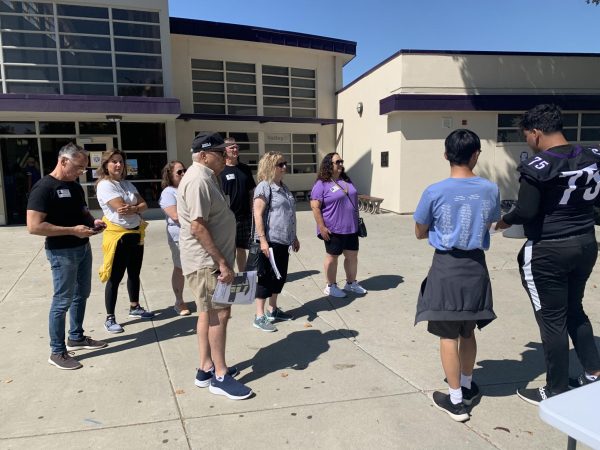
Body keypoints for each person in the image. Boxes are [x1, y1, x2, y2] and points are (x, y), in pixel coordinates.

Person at [496, 104, 600, 404]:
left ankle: (556, 389)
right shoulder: (592, 156)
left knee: (551, 319)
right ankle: (593, 371)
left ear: (536, 133)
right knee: (574, 309)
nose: (528, 141)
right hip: (584, 242)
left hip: (549, 250)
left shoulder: (538, 166)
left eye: (527, 135)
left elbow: (526, 210)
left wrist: (502, 221)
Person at [414, 129, 500, 422]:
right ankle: (466, 383)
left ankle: (455, 400)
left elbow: (419, 230)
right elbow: (491, 222)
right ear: (476, 154)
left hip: (447, 266)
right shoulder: (491, 189)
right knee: (468, 329)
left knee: (447, 333)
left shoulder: (434, 191)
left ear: (446, 155)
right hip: (476, 266)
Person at [177, 132, 251, 400]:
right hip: (208, 262)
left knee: (208, 314)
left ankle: (205, 367)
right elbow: (197, 225)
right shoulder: (198, 180)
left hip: (210, 260)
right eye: (220, 153)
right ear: (204, 155)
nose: (226, 156)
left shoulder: (208, 177)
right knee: (219, 315)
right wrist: (222, 262)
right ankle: (220, 375)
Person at [26, 142, 107, 370]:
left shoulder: (74, 185)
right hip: (62, 252)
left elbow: (82, 211)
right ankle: (57, 351)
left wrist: (93, 222)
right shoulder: (44, 188)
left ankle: (77, 336)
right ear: (63, 161)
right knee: (62, 301)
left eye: (83, 168)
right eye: (79, 167)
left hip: (82, 247)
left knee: (82, 294)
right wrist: (72, 230)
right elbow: (33, 226)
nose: (82, 172)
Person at [96, 149, 153, 334]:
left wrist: (135, 208)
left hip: (135, 233)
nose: (118, 165)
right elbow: (120, 208)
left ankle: (134, 307)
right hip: (118, 236)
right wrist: (137, 208)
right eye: (114, 162)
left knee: (134, 273)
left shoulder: (127, 184)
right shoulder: (105, 185)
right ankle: (110, 318)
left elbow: (145, 205)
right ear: (106, 165)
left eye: (120, 161)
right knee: (115, 277)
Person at [251, 151, 300, 332]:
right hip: (269, 241)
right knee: (266, 278)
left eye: (285, 163)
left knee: (279, 277)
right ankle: (259, 316)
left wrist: (294, 237)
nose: (285, 167)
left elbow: (289, 215)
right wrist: (263, 240)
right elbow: (257, 214)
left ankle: (273, 310)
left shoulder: (284, 188)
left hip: (283, 241)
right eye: (280, 164)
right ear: (270, 166)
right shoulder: (264, 187)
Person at [310, 152, 367, 298]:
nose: (341, 164)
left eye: (342, 161)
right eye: (338, 162)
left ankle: (351, 283)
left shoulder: (346, 180)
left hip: (351, 227)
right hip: (333, 228)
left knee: (352, 256)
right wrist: (321, 227)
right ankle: (331, 286)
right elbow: (315, 207)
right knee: (332, 257)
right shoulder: (321, 184)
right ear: (329, 164)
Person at [219, 137, 257, 271]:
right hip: (227, 218)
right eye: (232, 147)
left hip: (245, 216)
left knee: (242, 249)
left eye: (237, 147)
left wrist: (254, 211)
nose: (235, 150)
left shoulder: (245, 169)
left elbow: (252, 191)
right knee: (229, 250)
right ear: (225, 150)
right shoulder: (220, 170)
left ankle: (242, 276)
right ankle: (229, 275)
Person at [159, 160, 191, 316]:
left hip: (194, 235)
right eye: (179, 172)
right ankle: (179, 302)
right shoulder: (168, 193)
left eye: (184, 170)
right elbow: (175, 215)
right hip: (179, 237)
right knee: (180, 268)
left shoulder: (187, 189)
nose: (183, 173)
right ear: (170, 175)